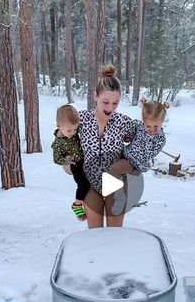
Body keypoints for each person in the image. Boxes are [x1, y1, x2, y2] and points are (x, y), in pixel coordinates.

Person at [78, 65, 136, 228]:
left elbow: (143, 137)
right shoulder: (81, 119)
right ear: (95, 96)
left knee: (114, 235)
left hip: (116, 184)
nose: (110, 108)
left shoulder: (123, 122)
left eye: (115, 103)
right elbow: (61, 134)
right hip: (90, 184)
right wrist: (66, 162)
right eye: (105, 102)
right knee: (95, 234)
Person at [109, 100, 168, 214]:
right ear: (143, 122)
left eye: (156, 126)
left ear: (162, 122)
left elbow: (150, 153)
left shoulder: (160, 139)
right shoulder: (139, 126)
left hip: (135, 163)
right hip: (125, 154)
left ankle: (119, 197)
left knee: (114, 168)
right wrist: (127, 136)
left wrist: (148, 138)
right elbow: (128, 127)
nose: (151, 129)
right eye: (148, 126)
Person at [51, 104, 90, 221]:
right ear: (58, 125)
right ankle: (77, 204)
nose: (73, 133)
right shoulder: (58, 143)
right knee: (83, 184)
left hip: (85, 160)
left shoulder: (71, 131)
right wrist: (68, 159)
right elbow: (56, 159)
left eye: (75, 129)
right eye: (69, 130)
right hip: (75, 165)